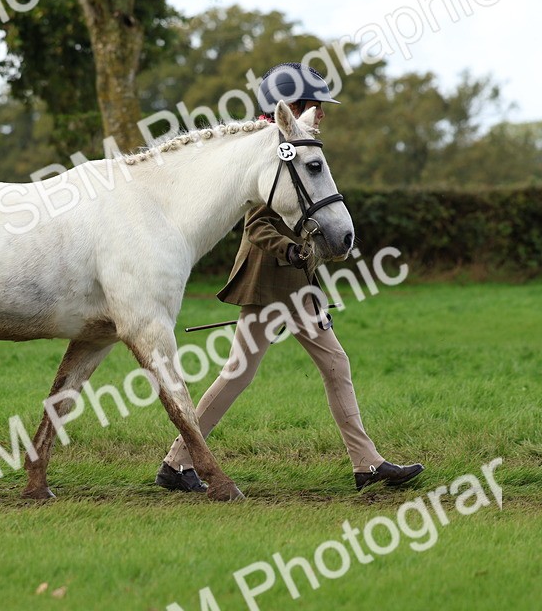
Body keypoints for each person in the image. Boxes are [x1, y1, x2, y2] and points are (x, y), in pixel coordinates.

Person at [156, 63, 423, 493]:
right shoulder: (273, 151)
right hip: (267, 284)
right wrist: (292, 250)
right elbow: (258, 227)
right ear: (293, 106)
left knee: (333, 365)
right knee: (239, 374)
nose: (322, 113)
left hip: (297, 286)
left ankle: (366, 463)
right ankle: (178, 460)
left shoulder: (297, 146)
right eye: (316, 105)